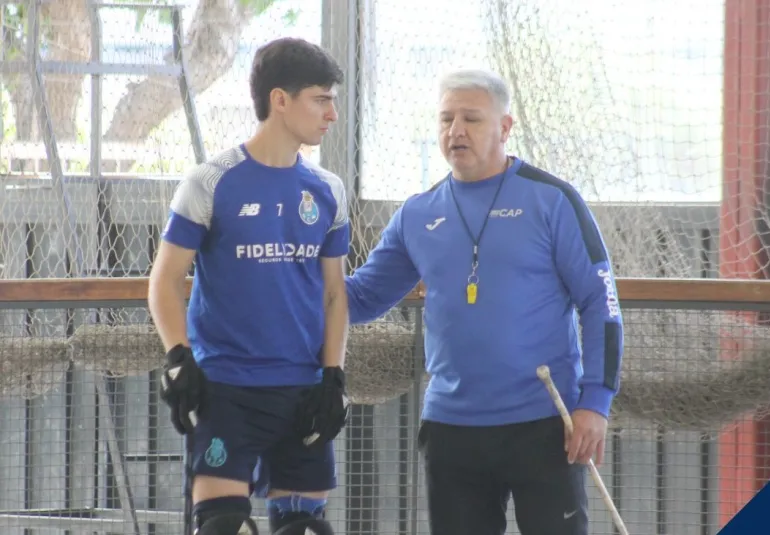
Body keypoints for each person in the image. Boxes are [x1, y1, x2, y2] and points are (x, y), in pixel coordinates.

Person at [344, 69, 625, 535]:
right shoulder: (418, 213)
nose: (456, 130)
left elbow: (601, 303)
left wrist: (595, 402)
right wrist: (286, 277)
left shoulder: (552, 200)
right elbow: (361, 297)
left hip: (545, 424)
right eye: (446, 119)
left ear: (505, 127)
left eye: (471, 119)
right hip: (452, 430)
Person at [148, 37, 351, 535]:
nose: (332, 114)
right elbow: (165, 280)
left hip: (304, 391)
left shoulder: (328, 190)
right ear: (280, 100)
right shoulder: (209, 181)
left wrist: (333, 378)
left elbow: (334, 294)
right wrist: (178, 358)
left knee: (304, 529)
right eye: (321, 100)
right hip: (227, 391)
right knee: (222, 527)